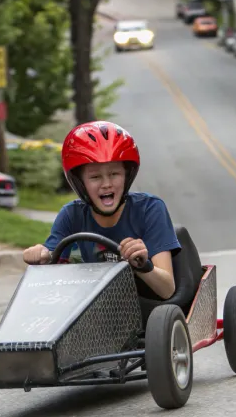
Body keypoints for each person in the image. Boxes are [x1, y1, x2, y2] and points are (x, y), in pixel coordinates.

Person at [22, 121, 181, 300]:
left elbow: (167, 289)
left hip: (148, 310)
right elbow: (50, 262)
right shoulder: (71, 215)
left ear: (127, 175)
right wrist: (40, 256)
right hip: (97, 310)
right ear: (80, 183)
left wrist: (142, 265)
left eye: (114, 174)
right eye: (95, 177)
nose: (106, 184)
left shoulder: (150, 209)